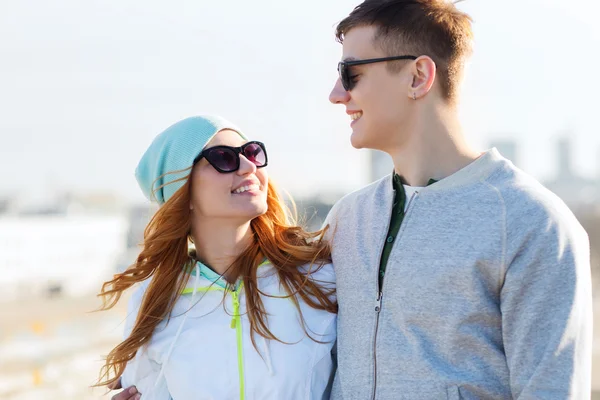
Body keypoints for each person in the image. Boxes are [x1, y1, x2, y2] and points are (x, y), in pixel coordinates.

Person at [325, 0, 592, 398]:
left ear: (418, 76)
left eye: (352, 74)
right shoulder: (347, 219)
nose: (335, 95)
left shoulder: (531, 222)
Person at [97, 115, 337, 400]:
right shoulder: (154, 301)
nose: (249, 166)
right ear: (182, 193)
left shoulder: (317, 275)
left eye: (251, 152)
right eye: (224, 158)